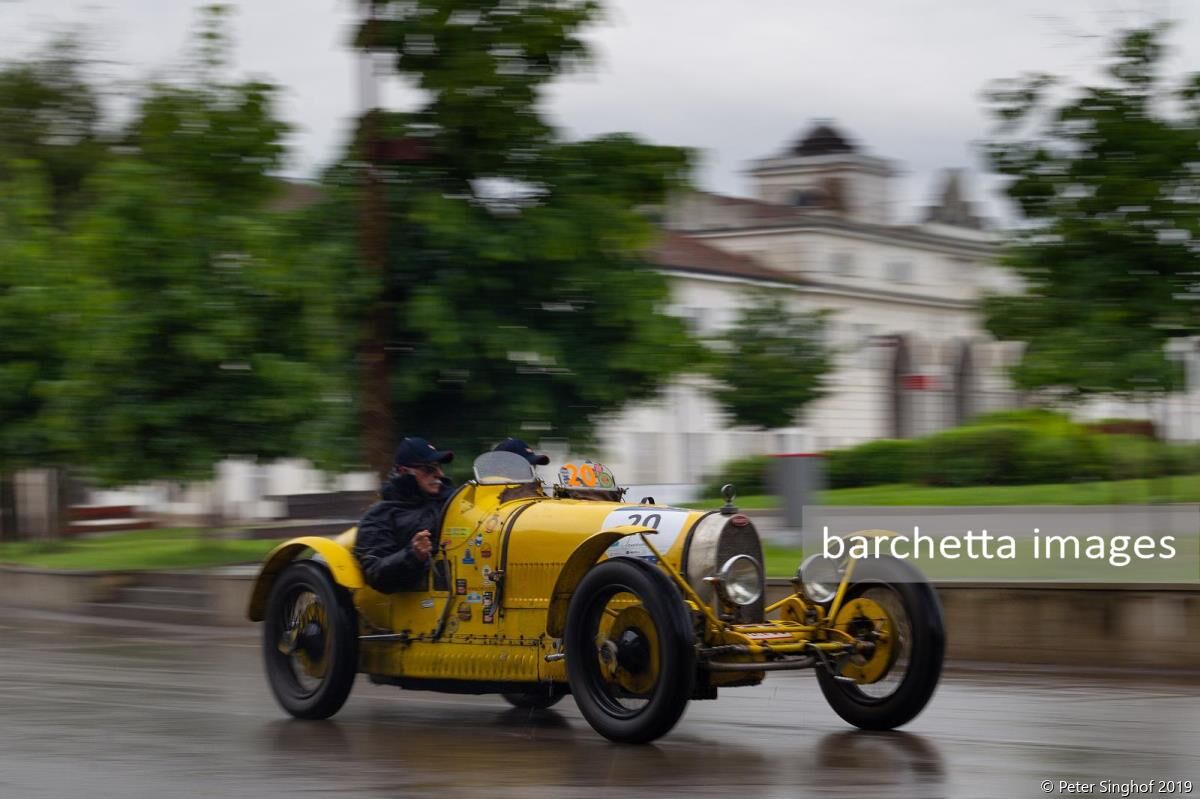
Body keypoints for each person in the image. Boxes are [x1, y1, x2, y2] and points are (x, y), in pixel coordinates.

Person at [354, 436, 454, 593]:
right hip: (420, 600)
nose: (439, 474)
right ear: (404, 471)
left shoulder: (454, 501)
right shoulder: (379, 516)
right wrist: (413, 555)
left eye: (439, 467)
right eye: (429, 469)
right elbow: (374, 573)